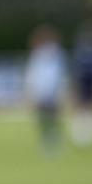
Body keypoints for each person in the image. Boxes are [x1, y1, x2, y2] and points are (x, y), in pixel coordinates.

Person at [25, 25, 66, 153]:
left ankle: (53, 140)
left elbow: (56, 75)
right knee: (43, 118)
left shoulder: (55, 54)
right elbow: (33, 75)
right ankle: (47, 139)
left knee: (51, 118)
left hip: (50, 92)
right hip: (42, 92)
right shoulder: (38, 55)